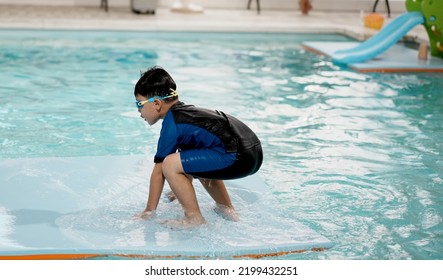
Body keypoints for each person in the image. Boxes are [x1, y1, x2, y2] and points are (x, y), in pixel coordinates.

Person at [133, 66, 263, 228]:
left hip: (237, 157)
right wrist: (179, 188)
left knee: (169, 164)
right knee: (191, 156)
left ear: (157, 104)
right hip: (253, 154)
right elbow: (191, 162)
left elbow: (160, 171)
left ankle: (194, 218)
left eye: (139, 103)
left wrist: (149, 211)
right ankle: (226, 208)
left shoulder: (172, 123)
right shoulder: (187, 114)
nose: (138, 111)